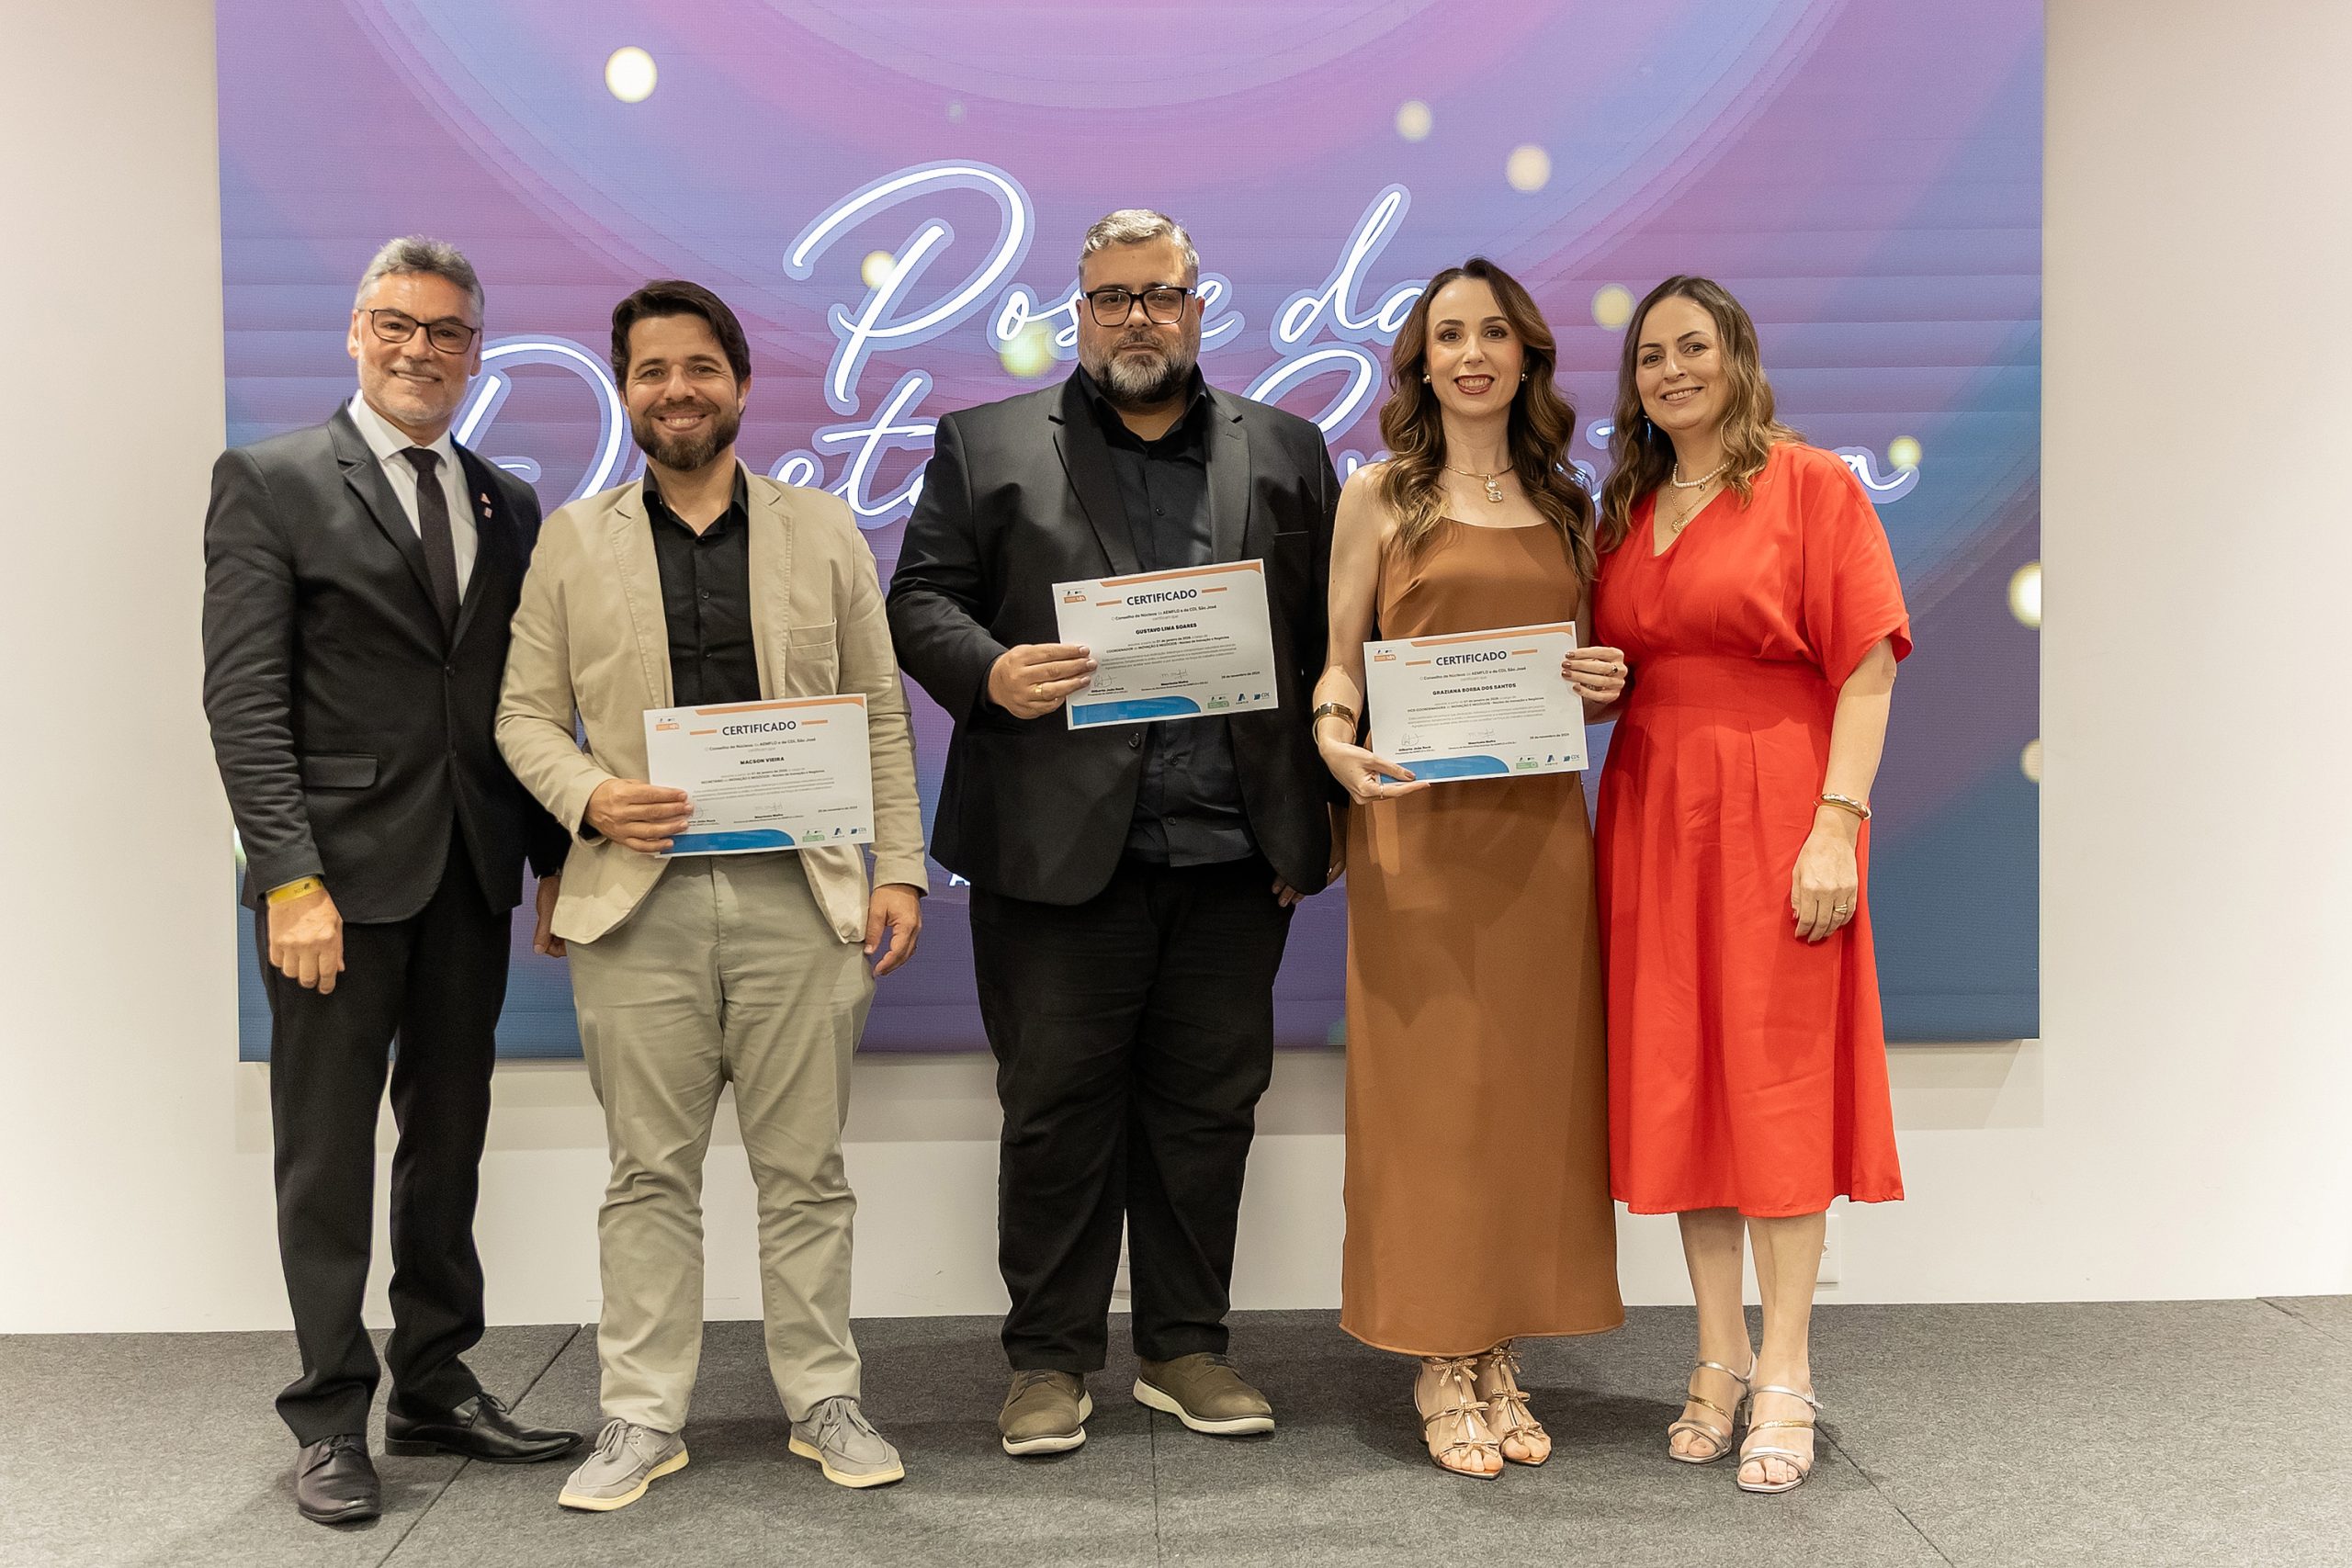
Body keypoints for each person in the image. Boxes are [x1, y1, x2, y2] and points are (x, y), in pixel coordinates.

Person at [887, 209, 1340, 1456]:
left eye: (1160, 294)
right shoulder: (984, 445)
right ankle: (1047, 1359)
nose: (1137, 317)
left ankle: (1187, 1347)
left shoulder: (1288, 449)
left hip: (1234, 853)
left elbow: (1327, 643)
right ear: (1076, 312)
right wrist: (990, 670)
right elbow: (918, 601)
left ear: (1200, 305)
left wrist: (1318, 819)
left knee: (1209, 1111)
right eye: (1111, 298)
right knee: (1053, 1111)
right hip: (1050, 851)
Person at [497, 280, 928, 1507]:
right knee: (647, 1174)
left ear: (739, 383)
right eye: (651, 371)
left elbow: (879, 712)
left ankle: (824, 1399)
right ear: (625, 391)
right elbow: (523, 716)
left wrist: (900, 865)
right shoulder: (573, 541)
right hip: (637, 905)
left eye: (699, 367)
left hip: (803, 896)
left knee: (807, 1173)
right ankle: (640, 1417)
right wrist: (591, 797)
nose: (676, 390)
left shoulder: (824, 530)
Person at [201, 235, 583, 1526]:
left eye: (448, 331)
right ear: (356, 332)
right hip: (332, 890)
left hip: (470, 871)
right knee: (324, 1156)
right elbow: (244, 703)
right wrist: (286, 881)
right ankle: (328, 1414)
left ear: (477, 351)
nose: (422, 350)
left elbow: (522, 696)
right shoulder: (270, 482)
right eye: (398, 325)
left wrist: (553, 860)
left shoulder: (506, 501)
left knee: (448, 1141)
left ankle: (433, 1381)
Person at [1590, 275, 1910, 1495]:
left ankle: (1786, 1368)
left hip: (1780, 809)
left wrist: (1838, 825)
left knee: (1774, 1087)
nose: (1671, 370)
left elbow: (1869, 666)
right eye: (1650, 355)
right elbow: (1621, 666)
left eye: (1693, 347)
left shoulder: (1812, 484)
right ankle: (1716, 1356)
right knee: (1685, 1085)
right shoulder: (1625, 508)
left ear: (1737, 357)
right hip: (1652, 815)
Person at [1309, 259, 1628, 1478]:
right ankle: (1441, 1357)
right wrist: (1332, 737)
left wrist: (1605, 682)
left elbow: (1585, 678)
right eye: (1450, 335)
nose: (1473, 353)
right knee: (1433, 1098)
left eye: (1494, 332)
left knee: (1525, 1096)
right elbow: (1342, 661)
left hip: (1539, 838)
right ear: (1422, 362)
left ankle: (1497, 1345)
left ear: (1527, 355)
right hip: (1417, 834)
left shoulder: (1569, 505)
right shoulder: (1378, 495)